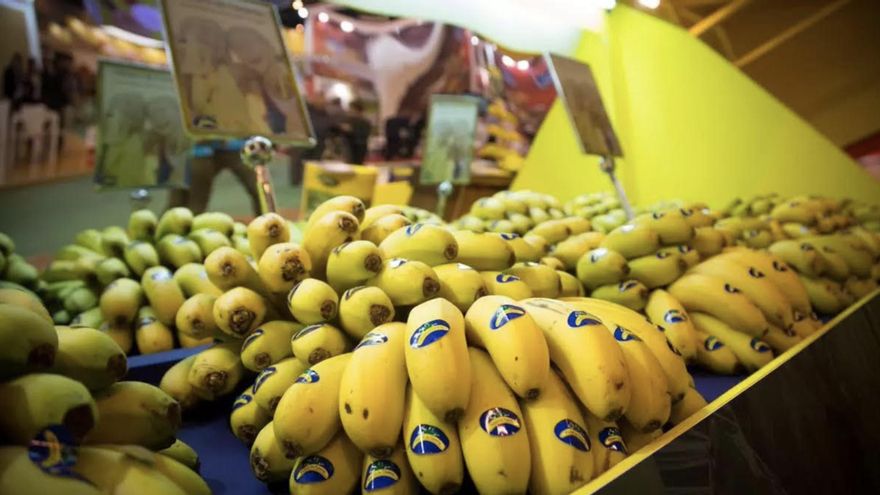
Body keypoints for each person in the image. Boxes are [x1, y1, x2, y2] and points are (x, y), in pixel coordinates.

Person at [175, 17, 251, 132]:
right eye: (184, 41)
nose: (190, 48)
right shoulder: (186, 78)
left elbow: (236, 124)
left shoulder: (223, 79)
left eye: (203, 41)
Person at [166, 140, 261, 216]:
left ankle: (267, 229)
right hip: (200, 149)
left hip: (235, 144)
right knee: (183, 202)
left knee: (259, 190)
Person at [96, 92, 149, 187]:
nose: (110, 120)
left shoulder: (133, 147)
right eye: (109, 115)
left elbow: (128, 182)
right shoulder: (102, 135)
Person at [344, 100, 372, 164]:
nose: (350, 111)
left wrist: (351, 130)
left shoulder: (364, 122)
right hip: (349, 147)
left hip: (360, 147)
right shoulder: (349, 120)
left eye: (351, 109)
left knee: (358, 163)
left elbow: (364, 135)